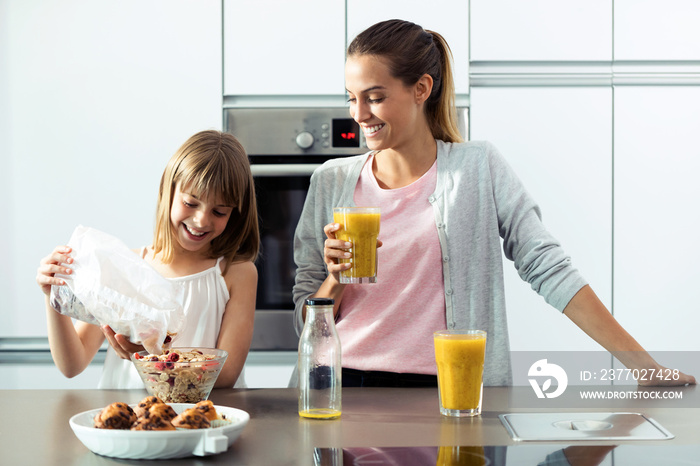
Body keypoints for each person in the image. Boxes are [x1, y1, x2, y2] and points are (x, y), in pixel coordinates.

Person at [292, 19, 695, 388]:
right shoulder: (332, 181)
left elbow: (547, 265)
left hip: (451, 390)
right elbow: (307, 323)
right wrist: (336, 278)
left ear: (421, 89)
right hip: (340, 388)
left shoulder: (477, 169)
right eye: (351, 98)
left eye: (374, 98)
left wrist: (643, 366)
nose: (359, 114)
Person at [36, 130, 260, 389]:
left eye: (219, 211)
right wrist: (52, 293)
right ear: (169, 191)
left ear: (235, 213)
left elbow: (225, 375)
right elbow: (72, 364)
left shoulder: (236, 273)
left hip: (202, 422)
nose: (202, 220)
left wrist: (148, 359)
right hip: (129, 420)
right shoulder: (125, 267)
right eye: (190, 203)